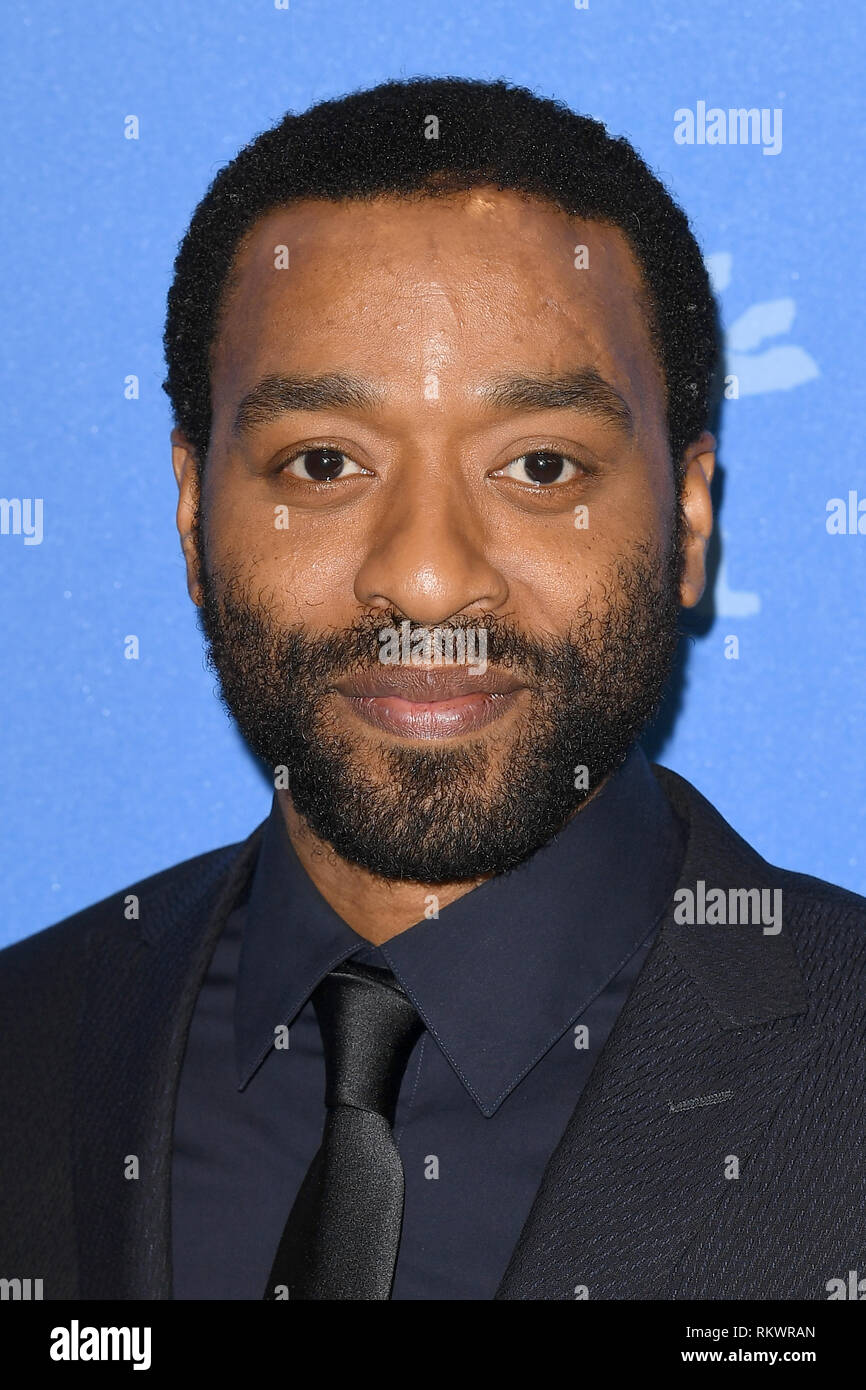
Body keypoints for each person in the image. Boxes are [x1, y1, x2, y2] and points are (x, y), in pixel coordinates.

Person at [2, 76, 864, 1302]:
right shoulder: (26, 1044)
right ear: (192, 511)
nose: (422, 574)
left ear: (685, 515)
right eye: (322, 462)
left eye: (539, 464)